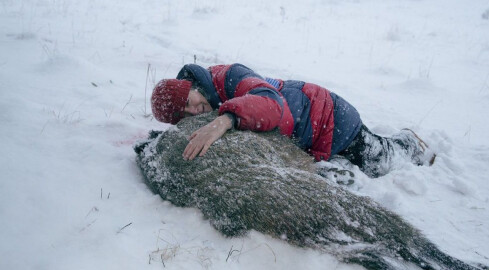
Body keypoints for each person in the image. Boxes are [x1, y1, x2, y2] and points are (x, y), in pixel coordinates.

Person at [151, 63, 435, 178]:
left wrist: (224, 120)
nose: (195, 111)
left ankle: (407, 143)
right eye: (185, 115)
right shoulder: (208, 97)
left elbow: (272, 105)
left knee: (379, 163)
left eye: (189, 102)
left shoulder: (230, 75)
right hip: (306, 136)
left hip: (328, 117)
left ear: (188, 85)